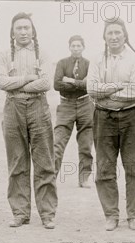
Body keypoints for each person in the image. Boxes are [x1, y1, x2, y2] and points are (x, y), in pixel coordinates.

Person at [0, 12, 57, 229]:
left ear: (33, 31)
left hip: (38, 107)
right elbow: (2, 82)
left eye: (27, 28)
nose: (23, 32)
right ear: (12, 32)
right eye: (19, 28)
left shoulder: (44, 54)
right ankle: (20, 213)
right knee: (16, 163)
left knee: (44, 162)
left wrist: (19, 84)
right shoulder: (4, 54)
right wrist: (27, 78)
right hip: (12, 108)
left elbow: (46, 83)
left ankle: (47, 213)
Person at [87, 18, 135, 231]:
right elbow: (91, 89)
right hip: (103, 118)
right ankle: (111, 215)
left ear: (125, 36)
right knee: (104, 167)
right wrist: (119, 87)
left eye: (117, 33)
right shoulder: (96, 60)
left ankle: (134, 215)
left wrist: (108, 92)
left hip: (130, 117)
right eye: (109, 33)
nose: (113, 37)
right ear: (104, 36)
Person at [53, 35, 93, 188]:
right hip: (66, 105)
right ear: (69, 47)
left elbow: (89, 85)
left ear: (83, 47)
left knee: (86, 145)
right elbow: (57, 84)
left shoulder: (90, 64)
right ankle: (51, 177)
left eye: (79, 46)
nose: (76, 48)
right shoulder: (62, 63)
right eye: (73, 46)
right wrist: (80, 84)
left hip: (85, 104)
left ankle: (84, 178)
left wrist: (69, 81)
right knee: (57, 143)